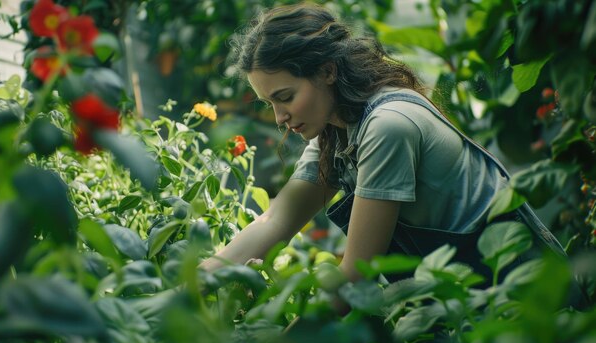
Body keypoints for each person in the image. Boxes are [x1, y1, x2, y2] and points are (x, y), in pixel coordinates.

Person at [199, 3, 568, 289]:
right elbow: (275, 219)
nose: (279, 117)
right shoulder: (337, 130)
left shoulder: (387, 127)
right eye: (269, 104)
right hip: (475, 300)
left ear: (327, 71)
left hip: (530, 303)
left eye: (286, 97)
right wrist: (194, 283)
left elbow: (356, 275)